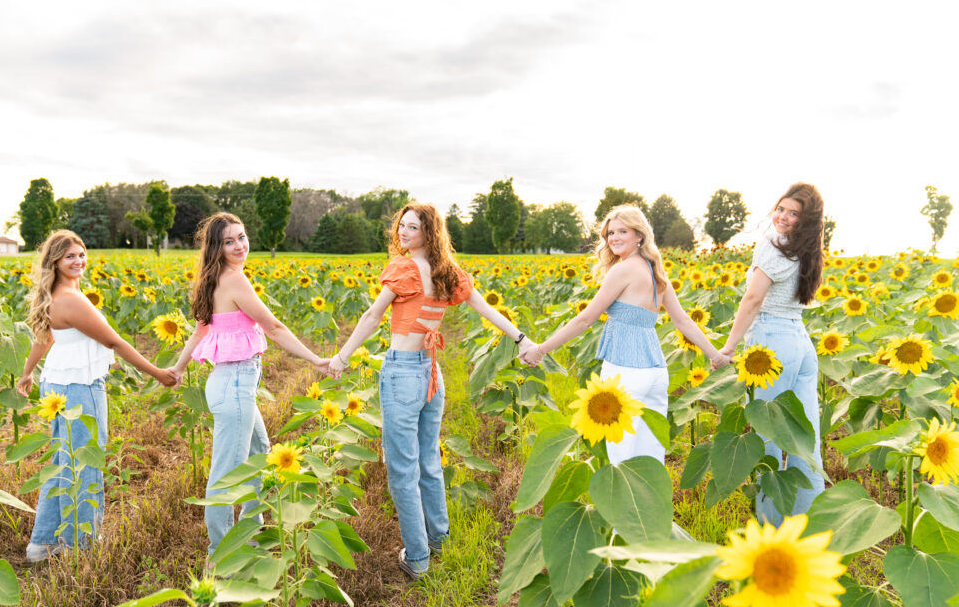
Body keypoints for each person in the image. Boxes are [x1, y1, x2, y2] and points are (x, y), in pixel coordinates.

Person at [328, 203, 534, 580]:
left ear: (428, 233)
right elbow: (485, 308)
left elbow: (373, 316)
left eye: (412, 228)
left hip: (405, 373)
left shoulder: (404, 269)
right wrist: (520, 338)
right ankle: (439, 539)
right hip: (431, 373)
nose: (404, 233)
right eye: (401, 226)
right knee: (428, 461)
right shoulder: (447, 272)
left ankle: (419, 558)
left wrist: (342, 356)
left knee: (403, 470)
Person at [171, 212, 331, 557]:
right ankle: (222, 552)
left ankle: (252, 532)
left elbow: (201, 329)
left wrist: (180, 367)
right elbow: (273, 327)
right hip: (235, 383)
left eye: (242, 237)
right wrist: (315, 359)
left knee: (261, 455)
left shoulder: (213, 278)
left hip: (230, 382)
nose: (240, 246)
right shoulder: (233, 281)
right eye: (229, 241)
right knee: (227, 474)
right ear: (217, 246)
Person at [520, 205, 730, 465]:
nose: (614, 238)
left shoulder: (623, 270)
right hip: (655, 372)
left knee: (621, 458)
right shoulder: (656, 271)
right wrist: (716, 355)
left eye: (623, 231)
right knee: (650, 457)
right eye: (610, 233)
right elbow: (683, 321)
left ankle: (625, 506)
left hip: (626, 370)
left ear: (639, 235)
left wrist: (541, 349)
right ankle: (651, 505)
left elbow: (586, 318)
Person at [17, 230, 177, 562]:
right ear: (56, 262)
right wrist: (158, 373)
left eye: (81, 254)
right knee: (86, 463)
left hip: (57, 383)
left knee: (63, 460)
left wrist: (28, 372)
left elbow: (44, 340)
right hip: (80, 386)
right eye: (69, 256)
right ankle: (80, 545)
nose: (78, 261)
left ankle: (42, 544)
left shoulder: (58, 293)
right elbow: (115, 342)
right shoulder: (71, 299)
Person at [717, 183, 825, 524]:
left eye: (794, 214)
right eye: (781, 209)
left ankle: (770, 529)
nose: (783, 217)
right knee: (804, 439)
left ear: (806, 222)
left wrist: (730, 346)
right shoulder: (807, 252)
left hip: (773, 343)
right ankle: (808, 527)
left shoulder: (773, 246)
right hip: (801, 343)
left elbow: (752, 299)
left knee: (767, 439)